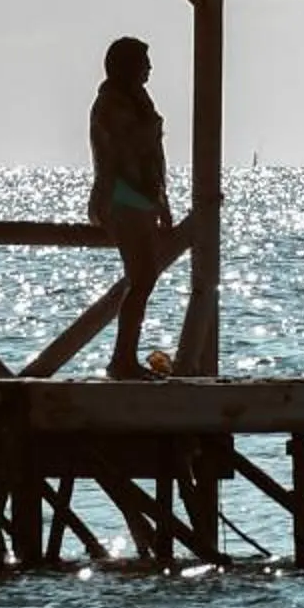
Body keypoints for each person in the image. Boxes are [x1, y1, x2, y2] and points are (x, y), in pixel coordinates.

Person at [88, 35, 174, 380]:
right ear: (126, 66)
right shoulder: (111, 103)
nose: (150, 69)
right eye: (143, 62)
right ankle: (121, 360)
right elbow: (128, 151)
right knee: (141, 278)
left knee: (145, 277)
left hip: (142, 198)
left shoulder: (138, 99)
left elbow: (153, 158)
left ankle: (124, 357)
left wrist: (163, 203)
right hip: (121, 196)